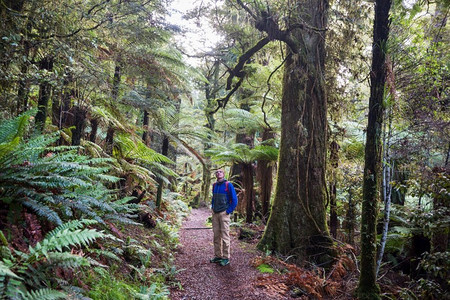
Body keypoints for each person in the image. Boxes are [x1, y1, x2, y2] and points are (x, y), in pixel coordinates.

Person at [210, 168, 238, 266]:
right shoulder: (214, 185)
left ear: (224, 173)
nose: (218, 173)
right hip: (215, 213)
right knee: (216, 235)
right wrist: (212, 208)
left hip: (224, 213)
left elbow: (234, 200)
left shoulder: (228, 185)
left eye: (220, 172)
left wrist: (228, 211)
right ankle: (218, 256)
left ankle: (226, 258)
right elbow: (213, 198)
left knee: (225, 235)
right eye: (217, 172)